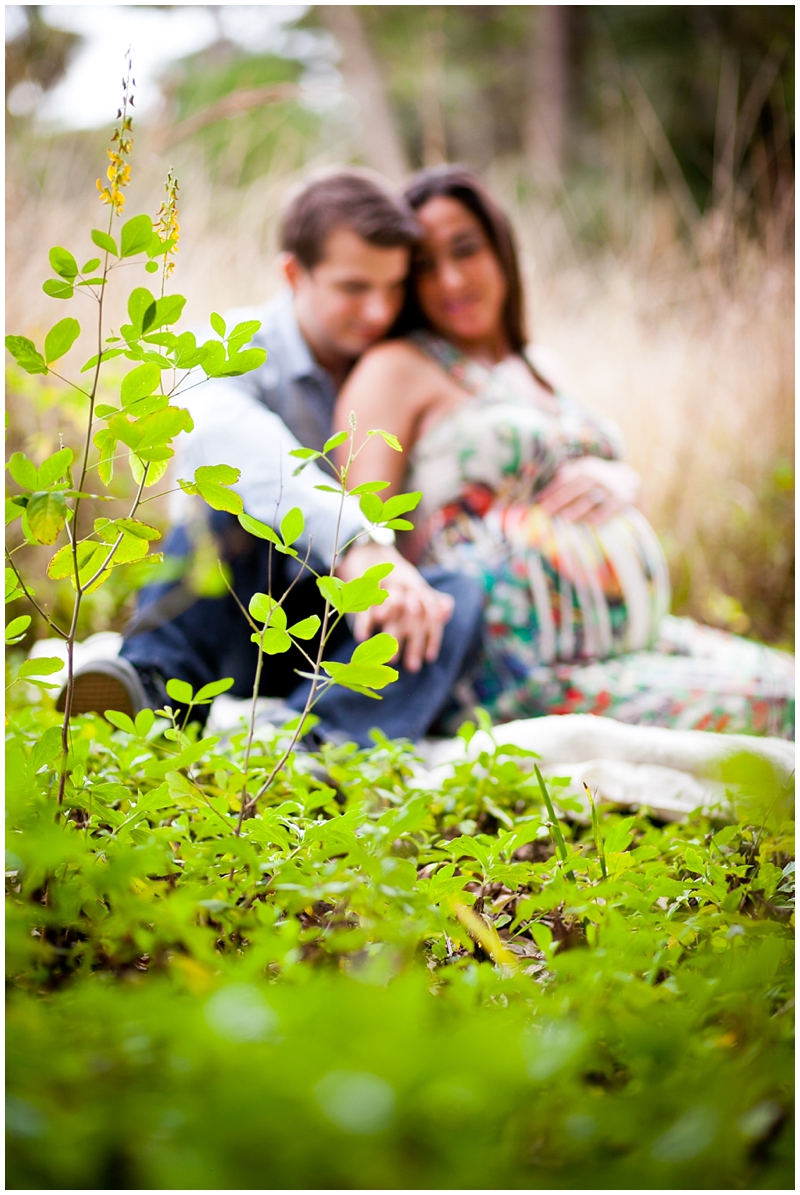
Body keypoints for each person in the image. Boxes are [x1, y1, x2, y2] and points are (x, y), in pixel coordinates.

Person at [333, 164, 794, 739]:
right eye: (425, 266)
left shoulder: (539, 367)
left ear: (501, 249)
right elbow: (352, 525)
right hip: (508, 671)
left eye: (466, 250)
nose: (450, 281)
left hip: (632, 642)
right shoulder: (397, 367)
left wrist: (621, 480)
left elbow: (580, 471)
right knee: (785, 709)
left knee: (791, 682)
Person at [64, 169, 485, 747]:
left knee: (455, 594)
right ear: (294, 273)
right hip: (244, 613)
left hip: (352, 631)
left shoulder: (412, 356)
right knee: (220, 513)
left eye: (393, 288)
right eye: (354, 288)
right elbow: (218, 439)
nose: (378, 310)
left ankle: (319, 744)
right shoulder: (237, 345)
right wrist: (355, 543)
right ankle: (150, 692)